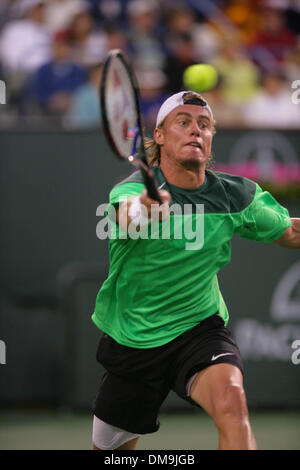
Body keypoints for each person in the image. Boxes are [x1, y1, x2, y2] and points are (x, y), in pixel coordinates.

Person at [91, 91, 300, 450]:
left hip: (198, 330)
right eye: (183, 123)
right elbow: (126, 216)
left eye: (204, 125)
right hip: (133, 338)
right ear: (159, 136)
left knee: (233, 402)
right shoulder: (131, 190)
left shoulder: (235, 196)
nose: (195, 131)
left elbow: (291, 232)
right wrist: (146, 209)